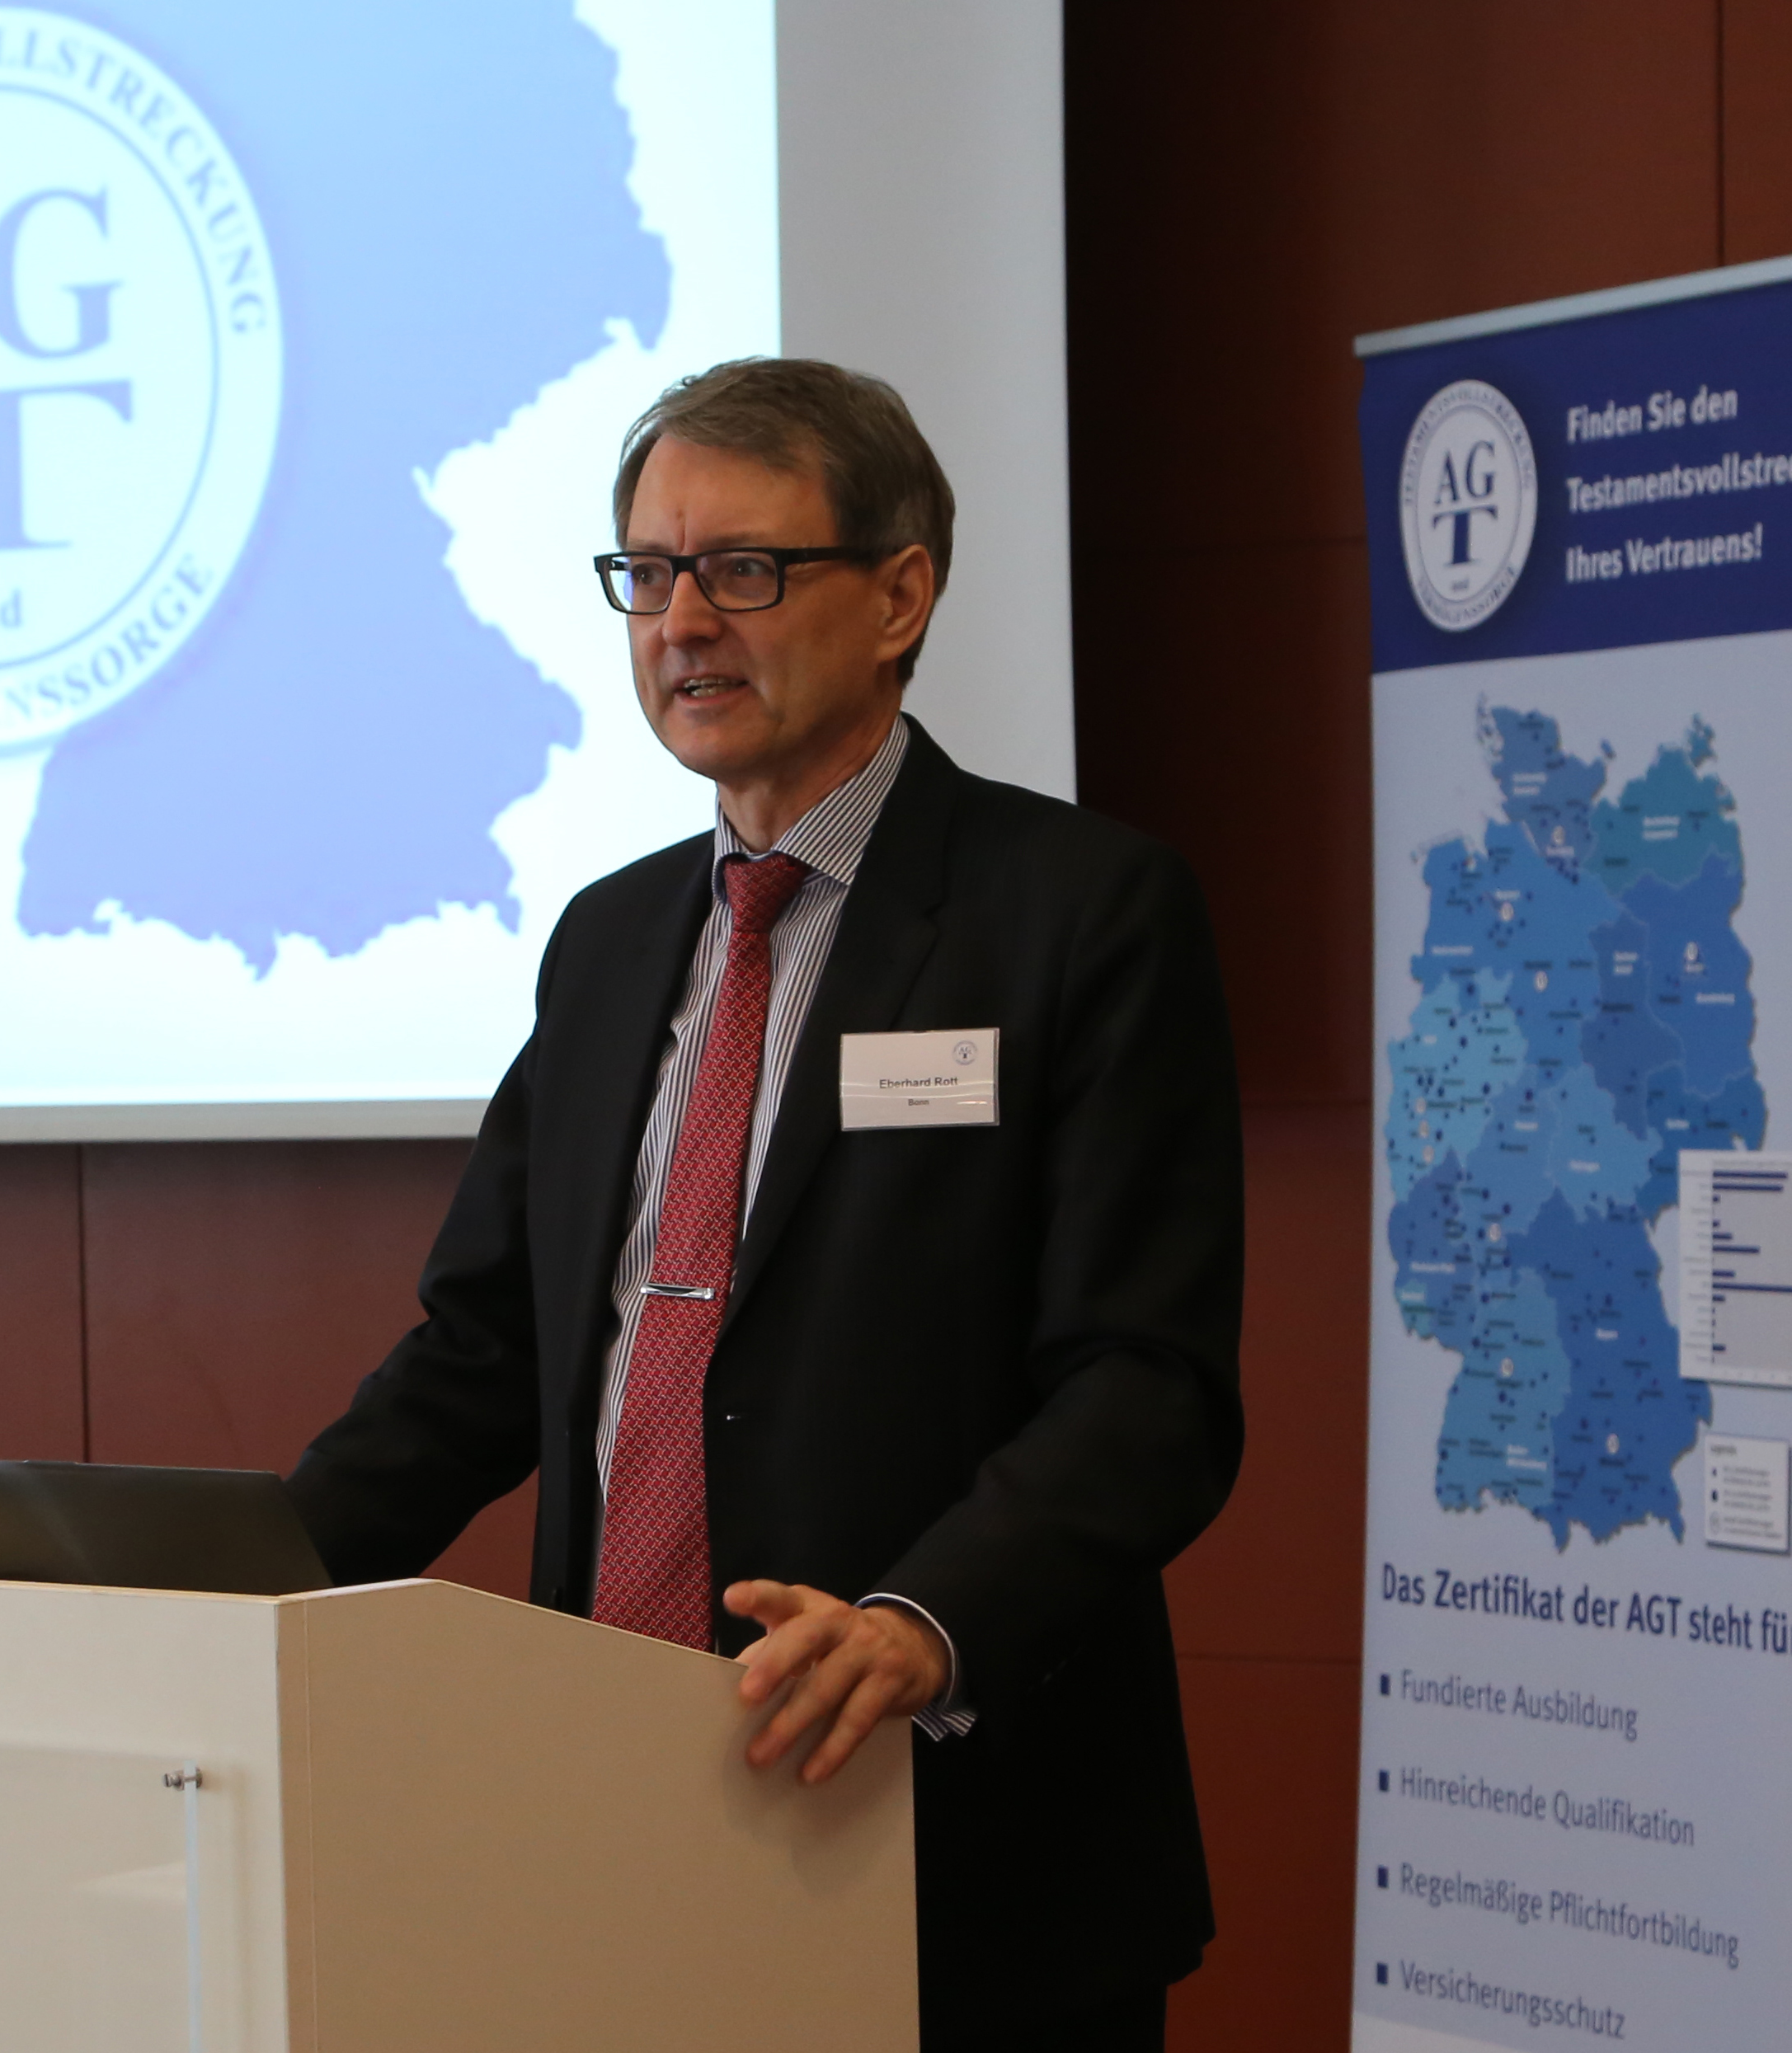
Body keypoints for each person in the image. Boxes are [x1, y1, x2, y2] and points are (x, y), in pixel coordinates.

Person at [285, 358, 1244, 2051]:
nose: (681, 624)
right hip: (623, 1814)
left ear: (899, 596)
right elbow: (488, 1354)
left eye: (742, 569)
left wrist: (924, 1623)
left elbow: (1145, 1383)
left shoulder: (1081, 914)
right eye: (649, 573)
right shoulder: (607, 941)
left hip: (960, 1836)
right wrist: (241, 1578)